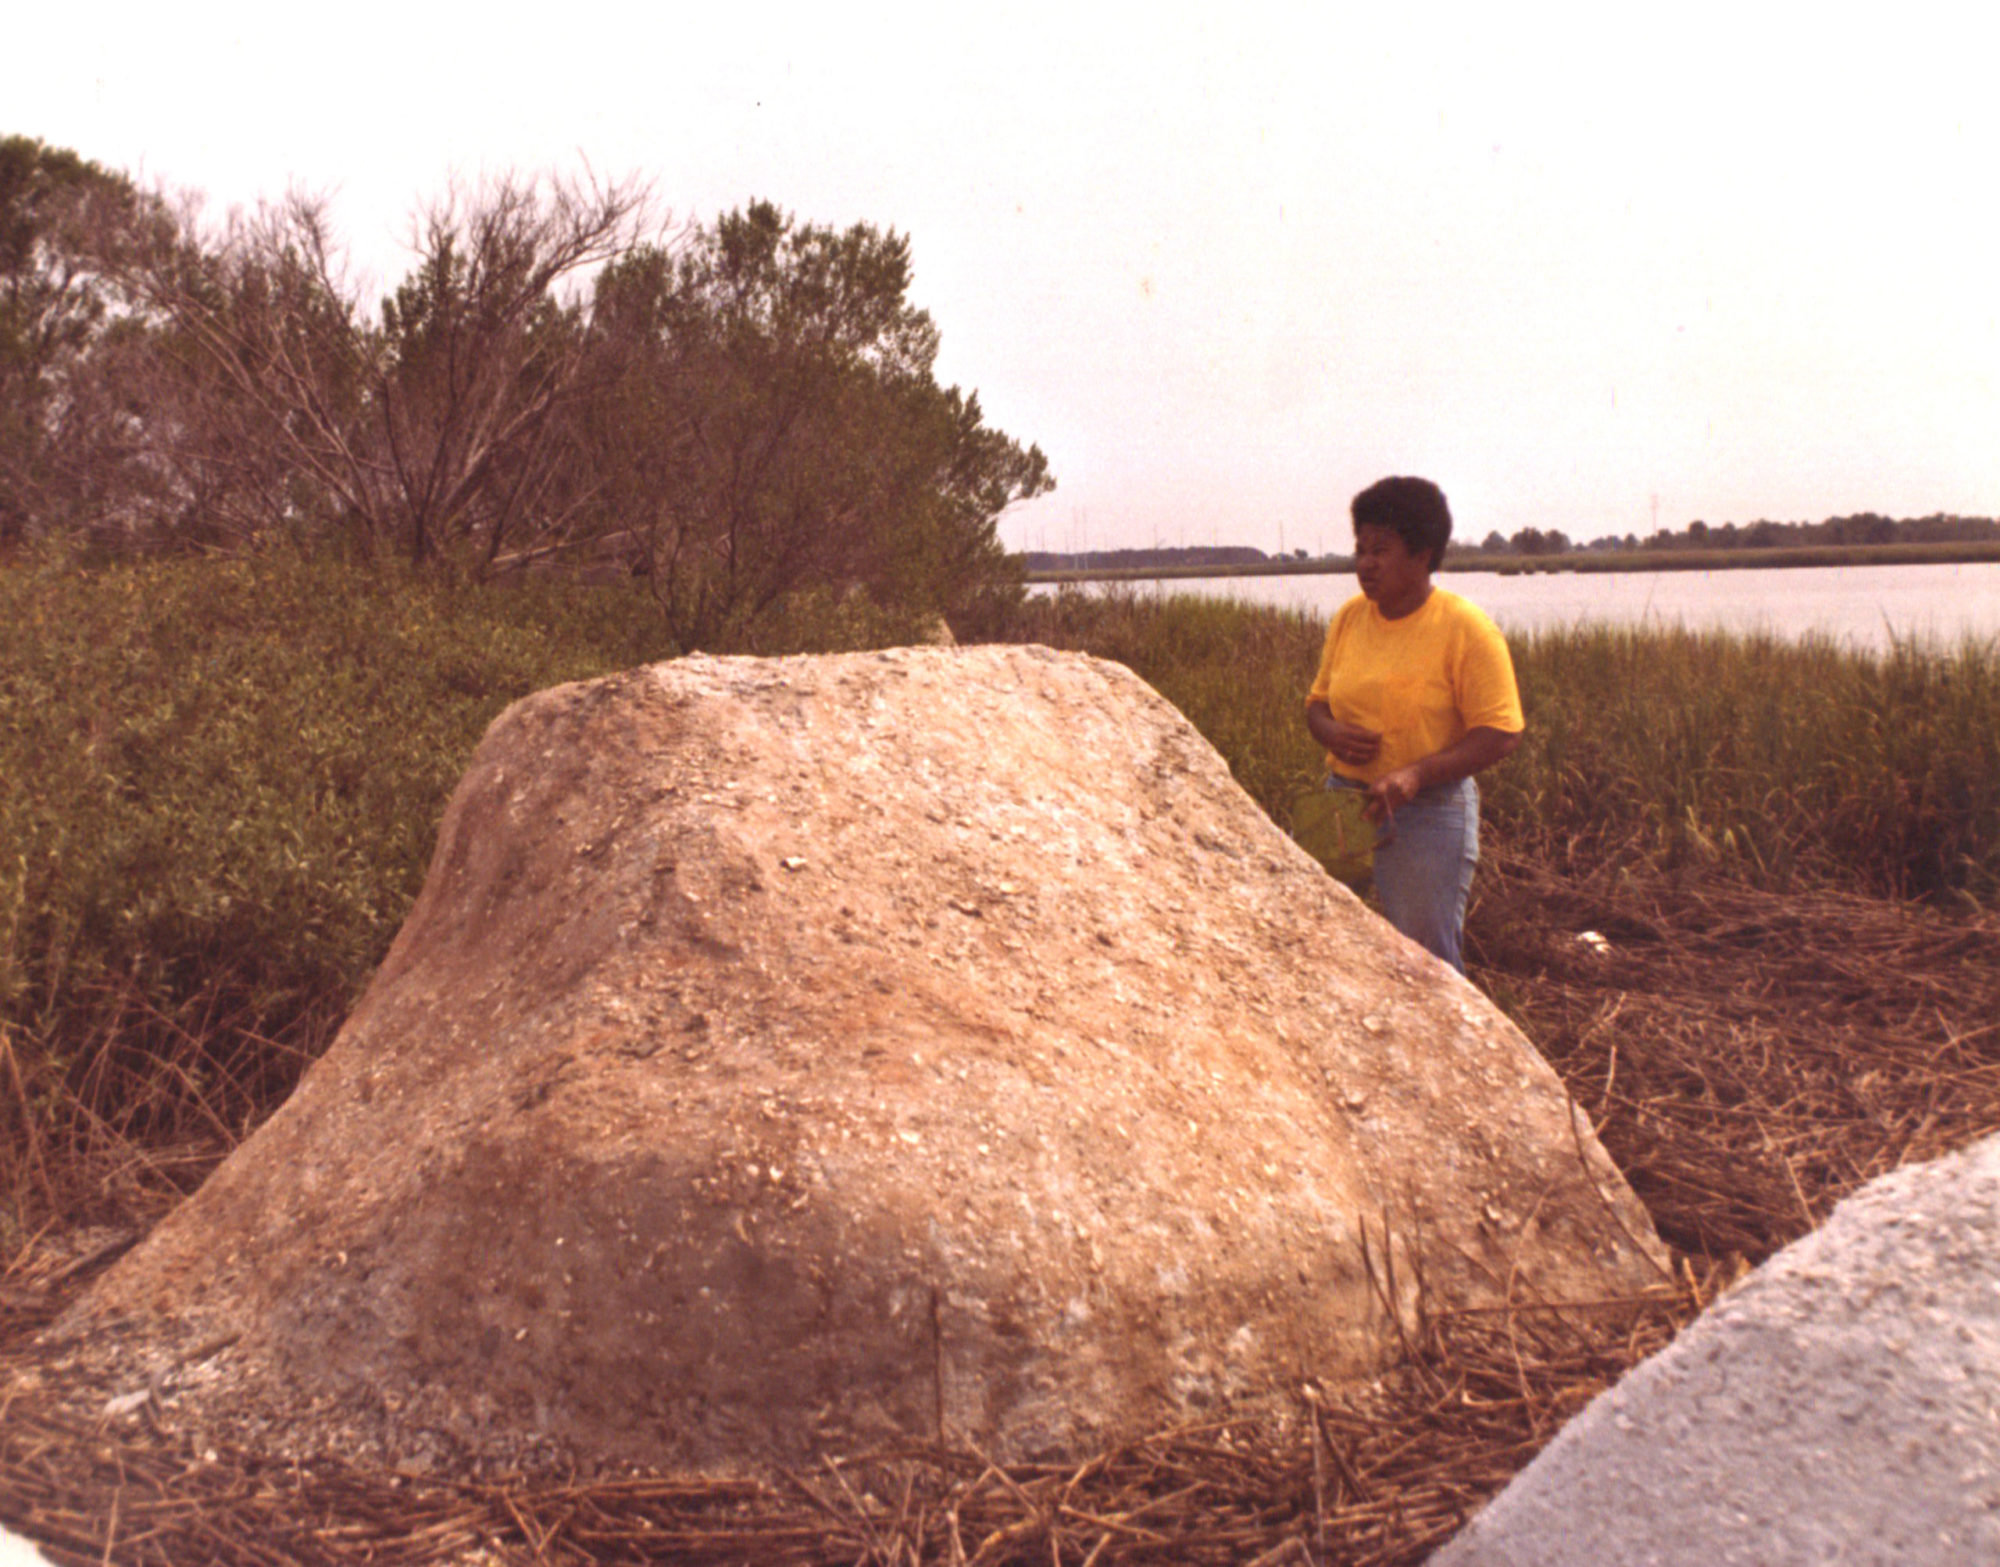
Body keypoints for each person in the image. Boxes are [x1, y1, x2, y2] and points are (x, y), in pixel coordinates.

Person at [1304, 477, 1523, 972]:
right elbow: (1316, 704)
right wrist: (1329, 730)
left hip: (1426, 812)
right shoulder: (1349, 619)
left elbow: (1502, 732)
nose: (1364, 564)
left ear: (1423, 555)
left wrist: (1416, 775)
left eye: (1380, 550)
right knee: (1323, 945)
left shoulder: (1466, 629)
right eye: (1360, 549)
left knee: (1426, 964)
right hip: (1342, 803)